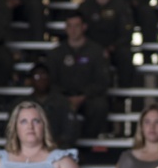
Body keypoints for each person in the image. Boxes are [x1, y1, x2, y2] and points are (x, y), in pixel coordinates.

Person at [45, 11, 111, 139]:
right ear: (65, 28)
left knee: (100, 106)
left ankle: (87, 141)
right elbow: (51, 81)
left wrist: (82, 97)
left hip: (88, 98)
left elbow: (102, 81)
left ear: (84, 27)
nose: (73, 30)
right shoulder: (56, 53)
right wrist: (66, 98)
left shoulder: (96, 51)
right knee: (52, 105)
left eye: (77, 26)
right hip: (63, 97)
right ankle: (59, 143)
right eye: (70, 26)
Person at [77, 0, 136, 87]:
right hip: (92, 48)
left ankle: (123, 95)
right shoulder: (85, 5)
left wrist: (111, 48)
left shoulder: (120, 4)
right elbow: (80, 30)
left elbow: (127, 31)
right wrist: (96, 49)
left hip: (115, 48)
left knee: (125, 55)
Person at [24, 62, 76, 148]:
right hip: (30, 148)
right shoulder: (24, 103)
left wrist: (56, 143)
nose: (41, 80)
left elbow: (71, 129)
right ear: (31, 80)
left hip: (58, 148)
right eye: (37, 76)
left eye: (44, 75)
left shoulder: (62, 102)